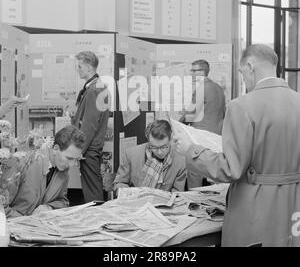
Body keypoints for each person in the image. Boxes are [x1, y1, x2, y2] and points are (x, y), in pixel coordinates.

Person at [174, 43, 300, 247]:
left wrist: (191, 151)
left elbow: (231, 169)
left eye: (242, 73)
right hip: (294, 206)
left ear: (250, 66)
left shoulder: (242, 106)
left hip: (257, 207)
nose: (244, 80)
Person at [6, 125, 85, 218]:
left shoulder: (63, 170)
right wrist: (24, 221)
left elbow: (62, 202)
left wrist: (49, 207)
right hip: (14, 226)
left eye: (76, 159)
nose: (72, 164)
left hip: (40, 227)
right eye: (69, 158)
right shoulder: (23, 162)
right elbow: (2, 206)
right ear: (55, 149)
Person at [179, 60, 225, 188]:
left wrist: (176, 125)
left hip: (200, 136)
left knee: (195, 172)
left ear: (203, 72)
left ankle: (194, 199)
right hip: (216, 136)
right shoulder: (219, 89)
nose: (191, 73)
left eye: (194, 70)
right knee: (213, 174)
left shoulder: (201, 89)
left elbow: (191, 115)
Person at [71, 51, 109, 203]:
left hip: (89, 148)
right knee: (93, 186)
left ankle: (96, 220)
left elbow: (90, 125)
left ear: (88, 67)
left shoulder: (94, 89)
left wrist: (79, 149)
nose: (77, 69)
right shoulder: (98, 86)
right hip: (93, 146)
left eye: (79, 66)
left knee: (92, 190)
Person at [113, 120, 187, 194]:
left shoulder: (180, 162)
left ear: (170, 139)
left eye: (164, 147)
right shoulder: (131, 154)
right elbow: (118, 184)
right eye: (154, 147)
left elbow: (178, 195)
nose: (159, 152)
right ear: (148, 140)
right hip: (136, 203)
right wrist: (128, 192)